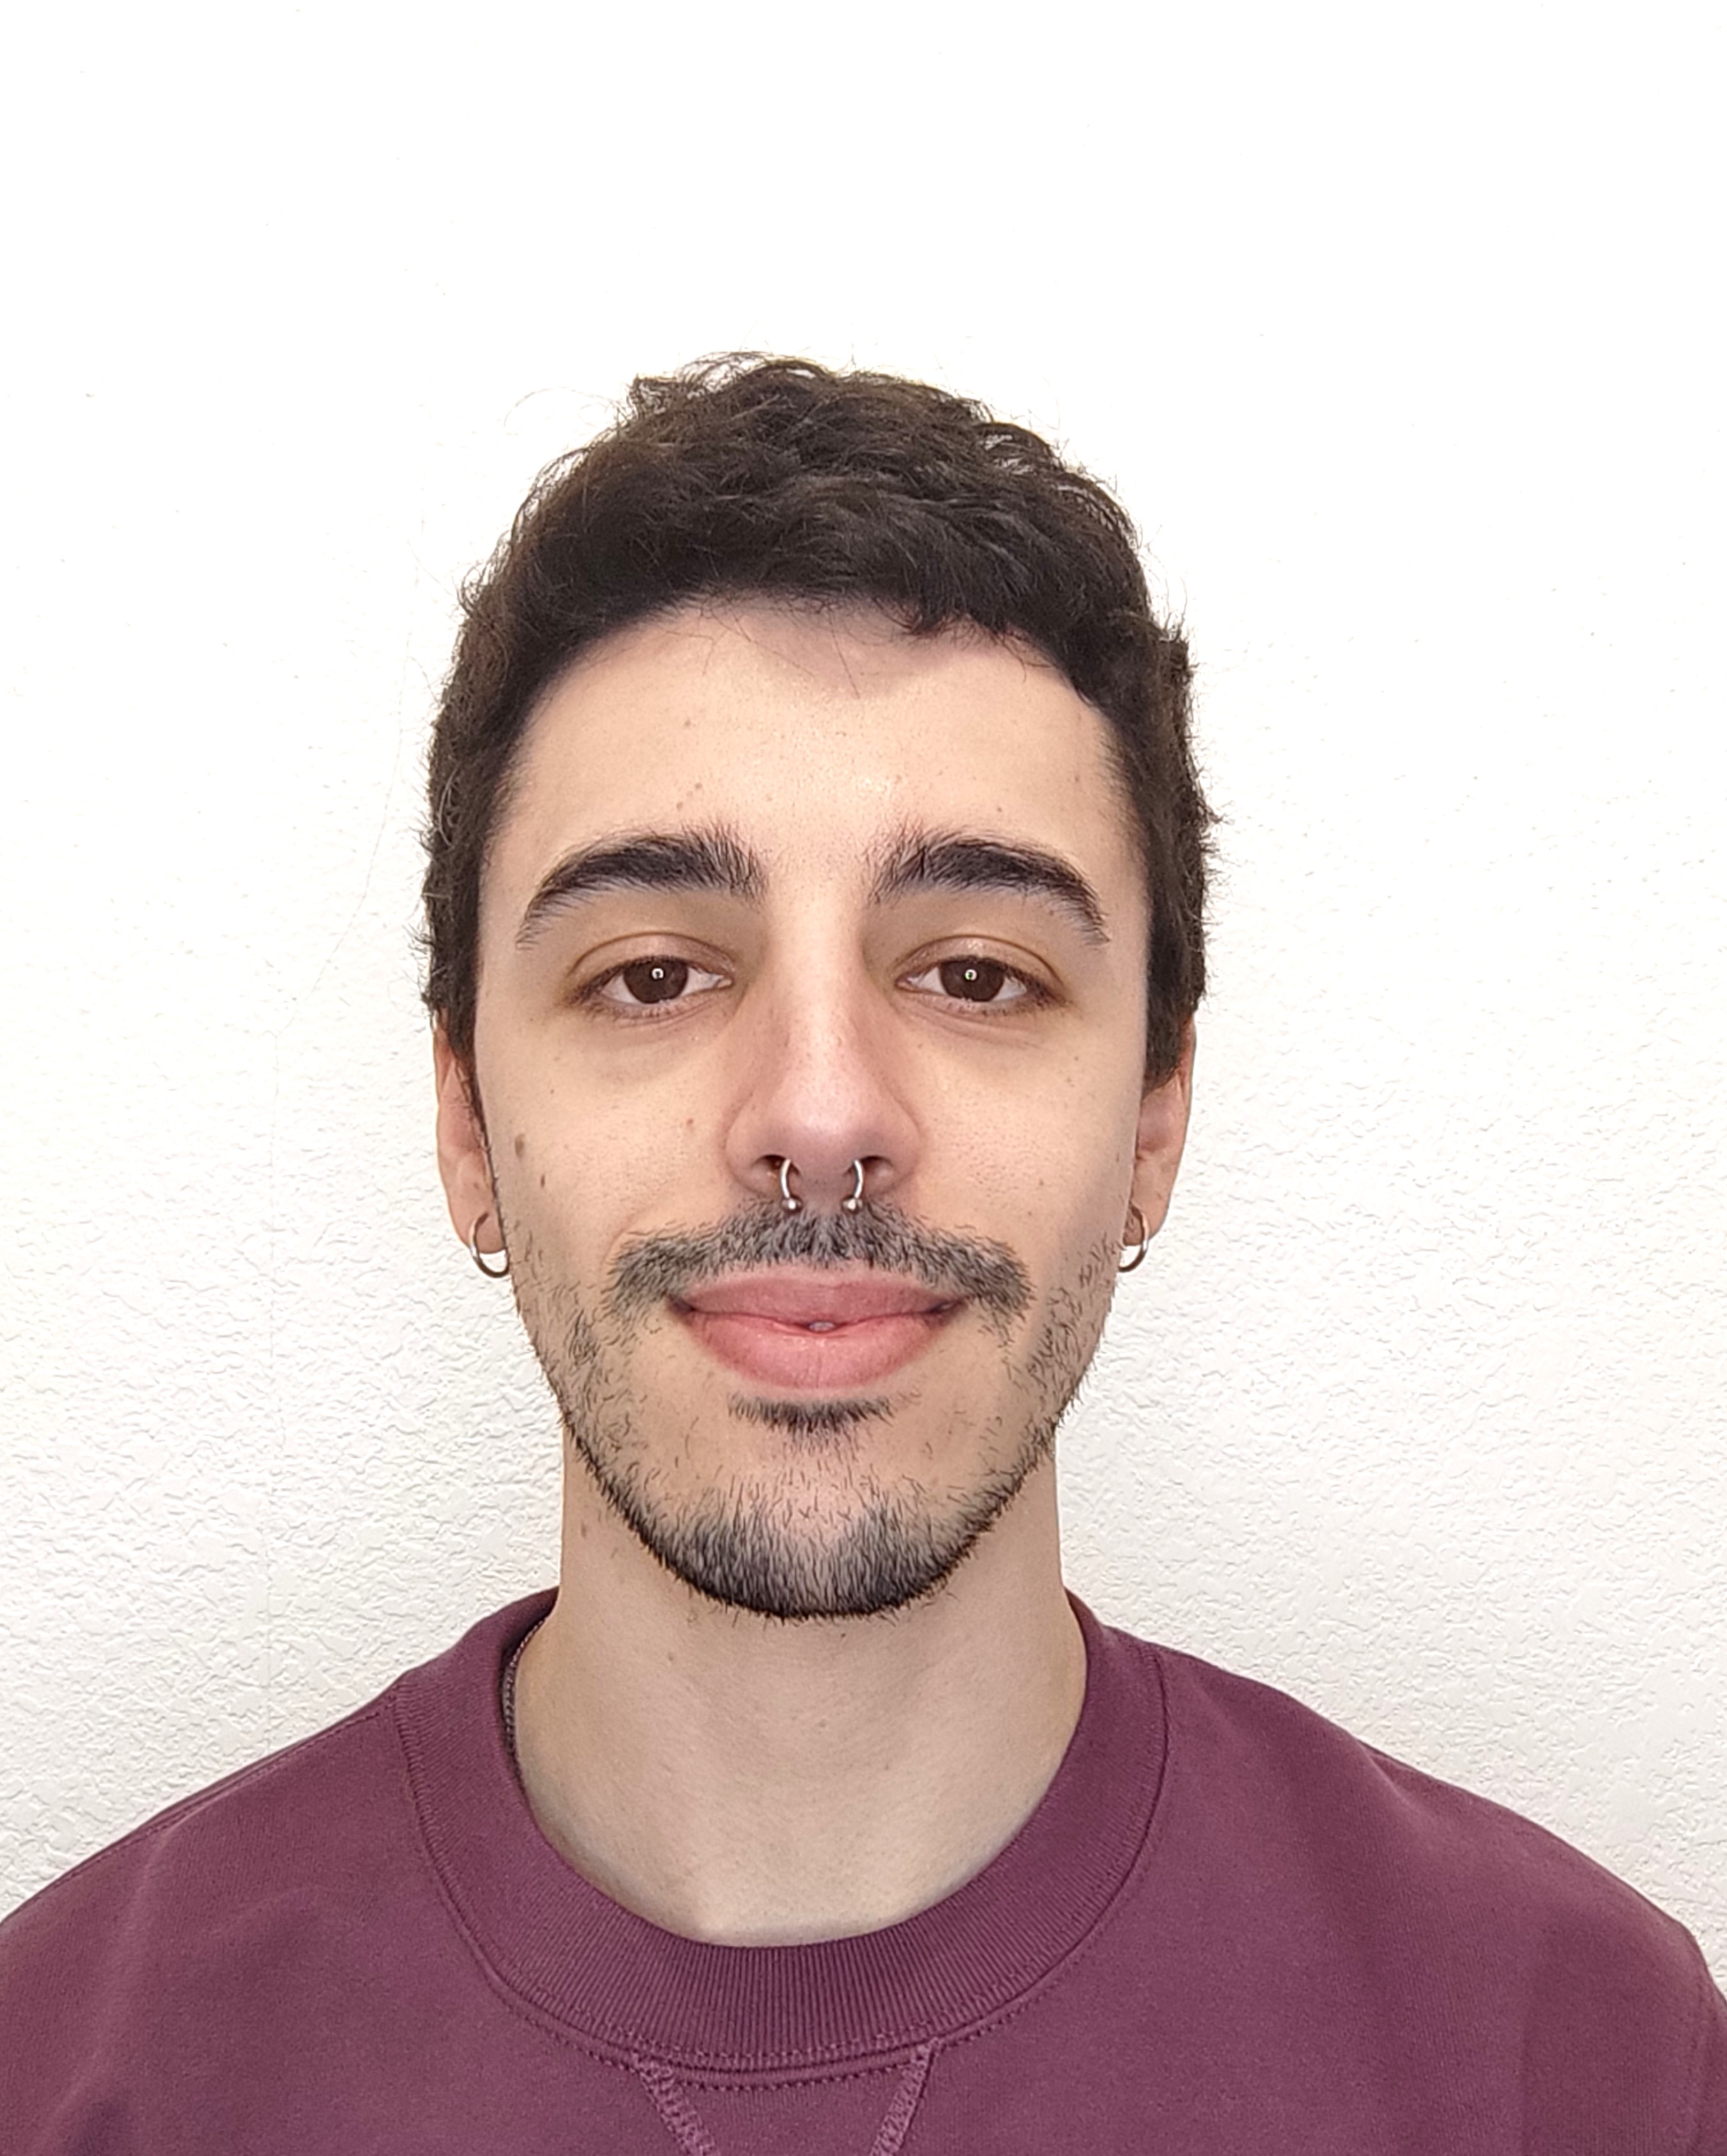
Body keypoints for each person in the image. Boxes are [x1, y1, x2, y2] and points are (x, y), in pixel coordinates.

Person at [2, 355, 1721, 2153]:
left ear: (1153, 1120)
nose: (821, 1112)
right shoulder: (65, 2079)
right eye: (651, 975)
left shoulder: (1577, 2065)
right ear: (465, 1119)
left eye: (976, 974)